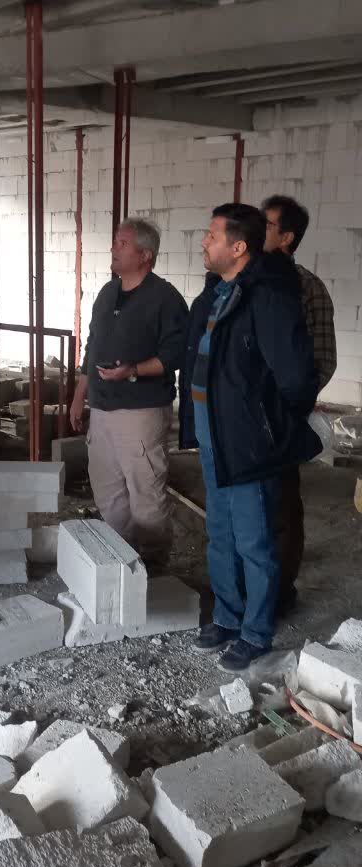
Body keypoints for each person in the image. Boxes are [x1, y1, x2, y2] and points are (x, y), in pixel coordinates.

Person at [179, 203, 321, 670]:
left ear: (238, 247)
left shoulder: (269, 297)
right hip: (214, 437)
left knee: (255, 542)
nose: (204, 242)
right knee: (220, 534)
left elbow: (297, 379)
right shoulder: (217, 292)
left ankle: (256, 631)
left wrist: (268, 427)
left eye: (212, 235)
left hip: (249, 444)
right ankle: (227, 616)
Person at [70, 217, 188, 566]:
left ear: (145, 255)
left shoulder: (164, 298)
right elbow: (92, 347)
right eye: (115, 243)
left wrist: (133, 370)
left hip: (141, 411)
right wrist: (79, 395)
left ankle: (153, 566)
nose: (113, 249)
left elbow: (175, 354)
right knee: (107, 491)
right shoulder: (108, 293)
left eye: (122, 244)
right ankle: (122, 563)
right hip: (102, 409)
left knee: (145, 491)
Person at [262, 193, 337, 611]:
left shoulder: (307, 288)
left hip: (281, 417)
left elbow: (323, 360)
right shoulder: (242, 281)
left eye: (268, 225)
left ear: (287, 237)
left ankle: (280, 590)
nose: (257, 230)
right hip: (241, 417)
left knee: (280, 503)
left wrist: (289, 405)